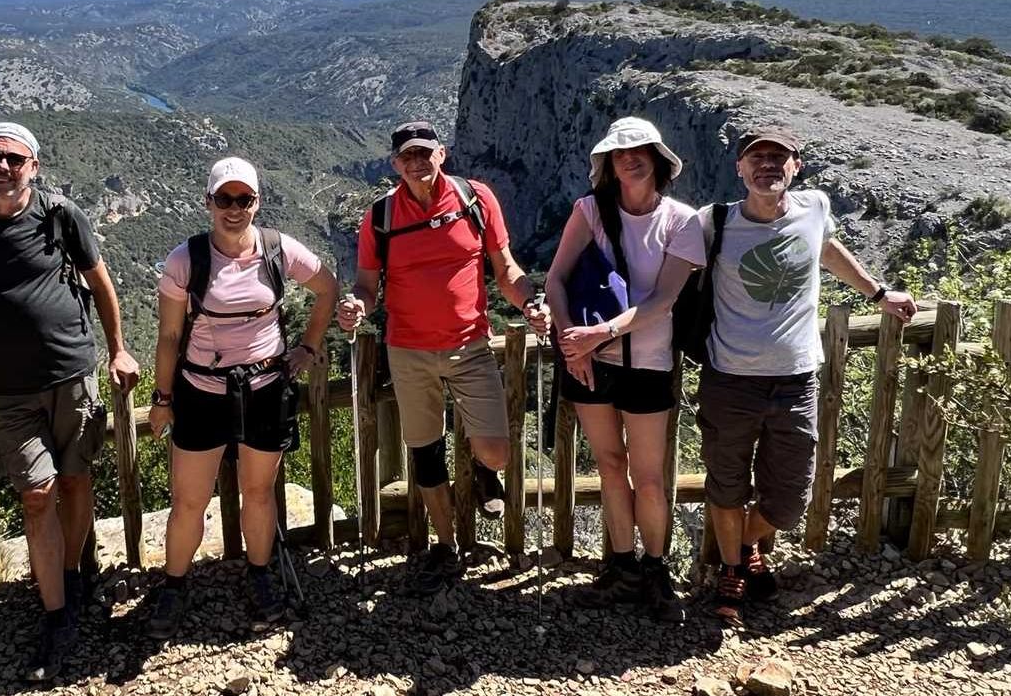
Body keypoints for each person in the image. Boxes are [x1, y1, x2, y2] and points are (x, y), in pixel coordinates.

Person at [0, 121, 141, 682]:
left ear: (34, 166)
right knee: (37, 492)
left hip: (73, 372)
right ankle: (56, 613)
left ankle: (74, 579)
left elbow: (101, 284)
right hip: (12, 388)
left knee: (75, 481)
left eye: (15, 159)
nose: (4, 167)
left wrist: (119, 350)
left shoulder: (60, 215)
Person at [697, 128, 917, 626]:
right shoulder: (714, 224)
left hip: (795, 380)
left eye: (779, 157)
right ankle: (733, 567)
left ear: (796, 166)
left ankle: (749, 542)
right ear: (740, 169)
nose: (768, 165)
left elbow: (829, 250)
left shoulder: (814, 207)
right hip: (729, 379)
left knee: (792, 496)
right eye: (757, 158)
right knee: (727, 484)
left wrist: (879, 294)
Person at [337, 121, 536, 595]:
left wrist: (532, 303)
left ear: (441, 154)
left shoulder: (475, 199)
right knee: (425, 452)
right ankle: (445, 546)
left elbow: (505, 269)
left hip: (469, 345)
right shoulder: (381, 216)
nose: (417, 162)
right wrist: (355, 307)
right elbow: (367, 286)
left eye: (425, 152)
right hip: (408, 350)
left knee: (497, 450)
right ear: (395, 164)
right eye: (408, 155)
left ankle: (486, 473)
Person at [144, 157, 337, 637]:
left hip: (265, 388)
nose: (234, 209)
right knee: (189, 500)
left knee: (257, 492)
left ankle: (259, 574)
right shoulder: (185, 260)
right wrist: (163, 397)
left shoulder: (277, 249)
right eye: (224, 199)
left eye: (244, 199)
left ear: (257, 202)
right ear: (209, 202)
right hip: (201, 392)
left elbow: (328, 288)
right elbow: (169, 337)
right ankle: (174, 586)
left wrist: (308, 347)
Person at [534, 117, 703, 622]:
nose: (629, 159)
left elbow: (662, 301)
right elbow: (556, 281)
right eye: (618, 153)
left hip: (648, 362)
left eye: (640, 150)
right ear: (606, 164)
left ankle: (656, 571)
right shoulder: (588, 211)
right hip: (589, 362)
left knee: (649, 478)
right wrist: (572, 344)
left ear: (657, 159)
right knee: (610, 466)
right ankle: (623, 567)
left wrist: (596, 336)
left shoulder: (682, 222)